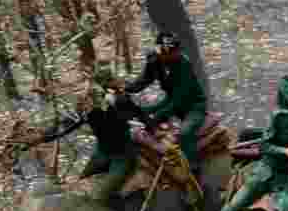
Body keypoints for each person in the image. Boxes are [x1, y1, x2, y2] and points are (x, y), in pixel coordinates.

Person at [116, 30, 208, 172]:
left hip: (192, 105)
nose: (176, 54)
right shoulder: (154, 59)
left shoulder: (184, 66)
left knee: (185, 133)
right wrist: (125, 89)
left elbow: (179, 100)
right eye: (172, 52)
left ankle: (194, 166)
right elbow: (144, 80)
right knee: (141, 119)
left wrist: (156, 115)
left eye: (176, 51)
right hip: (170, 101)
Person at [79, 63, 143, 202]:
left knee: (100, 196)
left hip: (122, 155)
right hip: (103, 152)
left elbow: (134, 114)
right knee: (81, 181)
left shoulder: (118, 101)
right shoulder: (91, 107)